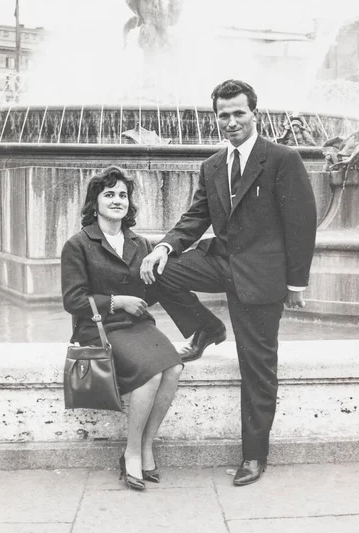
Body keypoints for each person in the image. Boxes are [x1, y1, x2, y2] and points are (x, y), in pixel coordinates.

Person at [140, 79, 317, 487]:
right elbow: (195, 217)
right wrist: (164, 247)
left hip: (262, 277)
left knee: (257, 368)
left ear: (254, 113)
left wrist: (296, 283)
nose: (232, 121)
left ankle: (255, 456)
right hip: (222, 262)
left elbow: (300, 223)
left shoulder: (282, 158)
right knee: (156, 271)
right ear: (216, 118)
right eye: (224, 115)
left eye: (239, 113)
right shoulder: (213, 165)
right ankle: (207, 328)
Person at [61, 166, 182, 491]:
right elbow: (73, 300)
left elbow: (150, 294)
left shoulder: (139, 243)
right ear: (95, 202)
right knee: (152, 372)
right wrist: (117, 302)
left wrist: (173, 274)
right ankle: (131, 452)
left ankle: (145, 445)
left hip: (136, 325)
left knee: (174, 368)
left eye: (122, 195)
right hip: (98, 327)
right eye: (109, 194)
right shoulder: (79, 244)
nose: (117, 200)